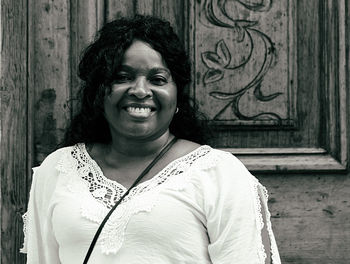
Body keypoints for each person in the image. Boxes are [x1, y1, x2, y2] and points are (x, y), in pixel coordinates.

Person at [21, 15, 281, 263]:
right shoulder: (58, 170)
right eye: (122, 77)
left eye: (157, 79)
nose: (140, 90)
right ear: (99, 92)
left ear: (177, 96)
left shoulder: (219, 173)